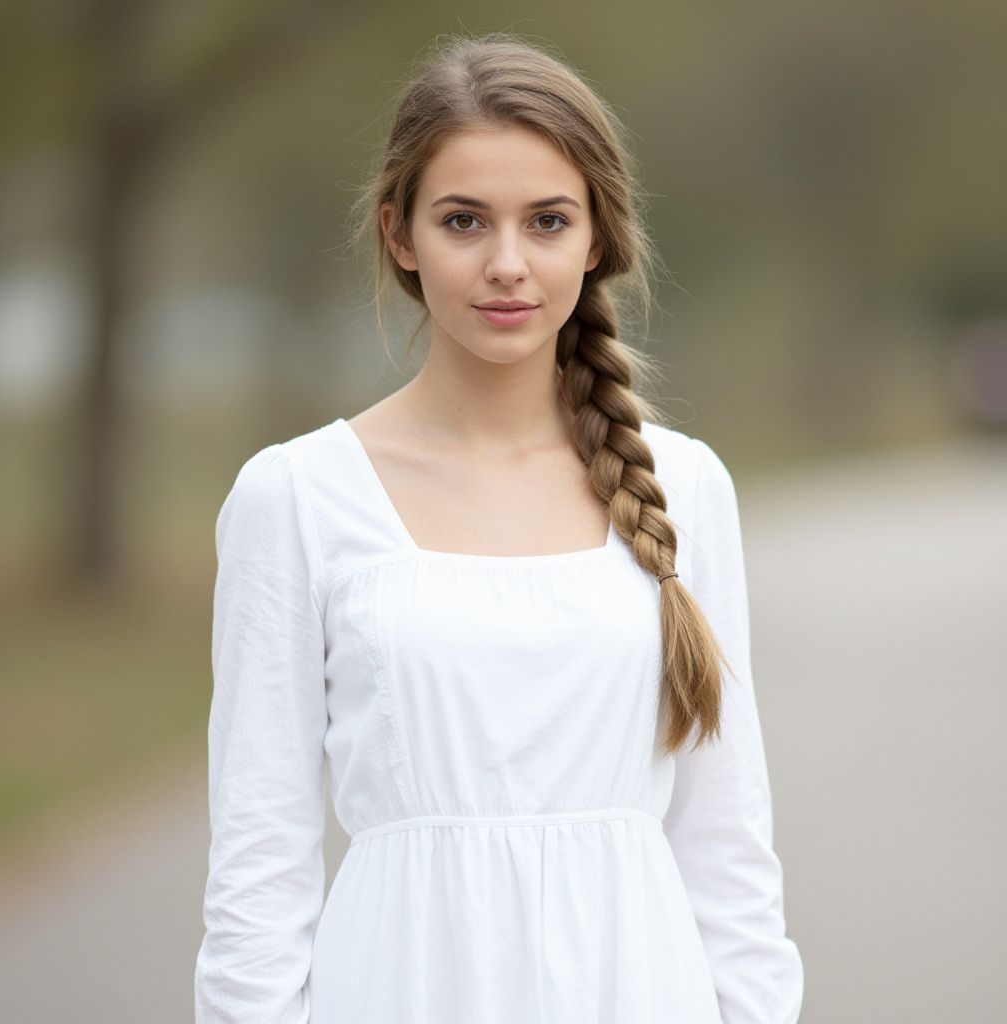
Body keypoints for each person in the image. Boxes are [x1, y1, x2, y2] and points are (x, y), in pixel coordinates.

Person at [193, 31, 805, 1024]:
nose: (507, 264)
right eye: (465, 220)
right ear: (400, 235)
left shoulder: (684, 486)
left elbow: (727, 847)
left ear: (596, 237)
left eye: (547, 221)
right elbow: (258, 870)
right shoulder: (297, 497)